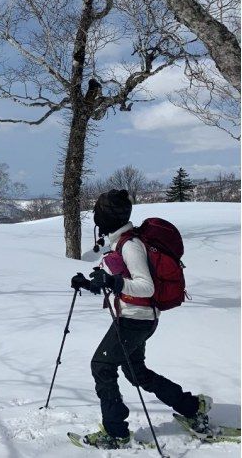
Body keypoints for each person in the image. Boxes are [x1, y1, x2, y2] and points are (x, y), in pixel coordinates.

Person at [70, 189, 210, 449]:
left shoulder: (130, 245)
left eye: (99, 214)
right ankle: (191, 406)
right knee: (136, 373)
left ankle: (116, 433)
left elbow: (146, 287)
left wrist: (113, 281)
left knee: (101, 366)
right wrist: (90, 284)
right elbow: (120, 281)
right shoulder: (119, 241)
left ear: (106, 218)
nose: (96, 220)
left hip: (136, 320)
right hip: (137, 318)